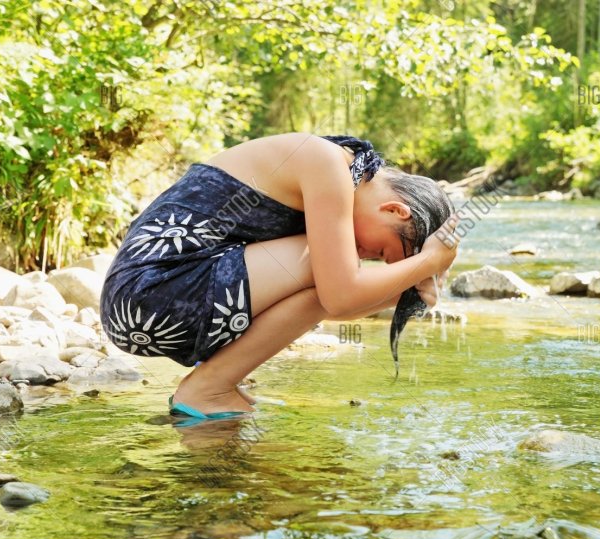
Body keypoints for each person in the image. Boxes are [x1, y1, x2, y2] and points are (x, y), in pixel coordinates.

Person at [100, 133, 460, 420]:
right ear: (396, 210)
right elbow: (339, 295)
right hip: (151, 291)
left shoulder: (343, 174)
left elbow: (324, 307)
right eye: (381, 254)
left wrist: (408, 287)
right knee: (334, 272)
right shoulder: (325, 162)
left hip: (157, 305)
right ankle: (207, 388)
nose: (367, 257)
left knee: (333, 273)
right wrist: (426, 263)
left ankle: (215, 385)